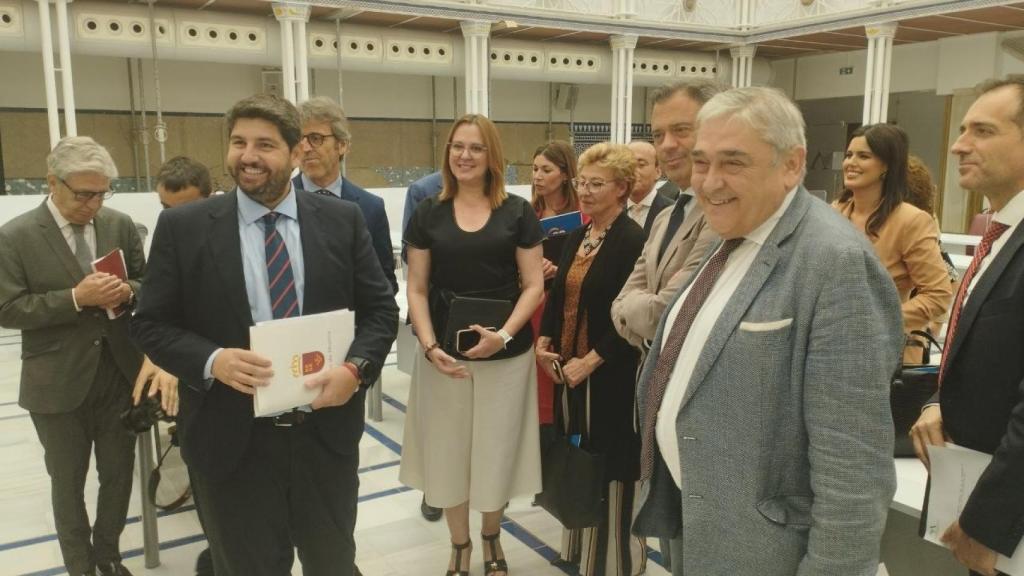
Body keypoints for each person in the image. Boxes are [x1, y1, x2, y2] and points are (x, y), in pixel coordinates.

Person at [631, 87, 903, 575]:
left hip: (766, 549)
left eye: (733, 163)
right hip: (699, 524)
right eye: (702, 162)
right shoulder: (733, 234)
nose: (710, 182)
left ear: (792, 165)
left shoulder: (835, 262)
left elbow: (854, 464)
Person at [130, 94, 398, 576]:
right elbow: (150, 323)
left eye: (264, 145)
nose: (247, 156)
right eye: (239, 142)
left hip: (323, 438)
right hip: (231, 443)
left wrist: (355, 371)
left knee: (333, 564)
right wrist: (212, 361)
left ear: (296, 153)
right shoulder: (183, 227)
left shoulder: (342, 221)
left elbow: (380, 311)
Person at [399, 114, 544, 576]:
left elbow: (533, 285)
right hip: (445, 356)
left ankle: (491, 537)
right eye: (457, 146)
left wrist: (503, 335)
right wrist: (428, 346)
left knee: (495, 451)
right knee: (449, 455)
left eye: (476, 148)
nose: (465, 155)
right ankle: (459, 545)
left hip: (506, 356)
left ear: (492, 155)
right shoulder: (428, 213)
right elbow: (417, 288)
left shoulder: (517, 212)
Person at [0, 136, 145, 576]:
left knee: (118, 474)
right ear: (52, 182)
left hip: (118, 374)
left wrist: (128, 291)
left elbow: (149, 282)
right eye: (84, 194)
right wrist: (76, 298)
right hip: (56, 382)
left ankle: (109, 555)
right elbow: (8, 308)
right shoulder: (16, 236)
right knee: (68, 482)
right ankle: (80, 566)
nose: (93, 204)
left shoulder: (119, 224)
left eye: (102, 193)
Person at [911, 76, 1024, 576]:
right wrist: (939, 401)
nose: (958, 145)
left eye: (983, 131)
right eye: (962, 130)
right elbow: (989, 352)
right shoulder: (1001, 232)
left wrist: (988, 525)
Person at [535, 142, 646, 575]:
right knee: (577, 460)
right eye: (582, 182)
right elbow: (559, 293)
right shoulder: (579, 236)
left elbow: (631, 315)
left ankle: (614, 561)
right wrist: (545, 341)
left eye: (596, 184)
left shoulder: (632, 240)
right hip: (569, 372)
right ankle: (579, 550)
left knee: (609, 467)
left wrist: (593, 360)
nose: (584, 191)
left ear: (621, 188)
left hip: (609, 376)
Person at [128, 155, 216, 576]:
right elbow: (159, 311)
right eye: (165, 209)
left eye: (185, 208)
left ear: (210, 197)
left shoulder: (236, 235)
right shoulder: (169, 238)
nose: (173, 219)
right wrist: (160, 358)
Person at [611, 81, 720, 354]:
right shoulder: (664, 218)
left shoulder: (720, 215)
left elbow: (665, 313)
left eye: (681, 130)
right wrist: (645, 325)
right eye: (658, 135)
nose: (667, 145)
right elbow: (618, 304)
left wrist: (638, 313)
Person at [833, 124, 953, 362]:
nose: (851, 163)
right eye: (849, 155)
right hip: (830, 346)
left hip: (883, 354)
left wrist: (876, 319)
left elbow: (938, 295)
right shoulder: (832, 213)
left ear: (886, 166)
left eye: (863, 156)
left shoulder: (911, 220)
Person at [294, 96, 397, 294]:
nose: (305, 148)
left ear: (342, 145)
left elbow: (385, 282)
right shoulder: (278, 203)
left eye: (315, 138)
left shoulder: (370, 208)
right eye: (300, 139)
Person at [530, 140, 580, 426]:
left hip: (568, 307)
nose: (538, 176)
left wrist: (559, 272)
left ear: (564, 174)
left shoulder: (583, 215)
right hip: (535, 305)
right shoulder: (528, 214)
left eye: (546, 170)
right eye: (535, 169)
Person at [625, 140, 672, 238]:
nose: (633, 171)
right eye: (628, 165)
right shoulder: (610, 212)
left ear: (658, 172)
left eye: (641, 165)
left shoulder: (672, 212)